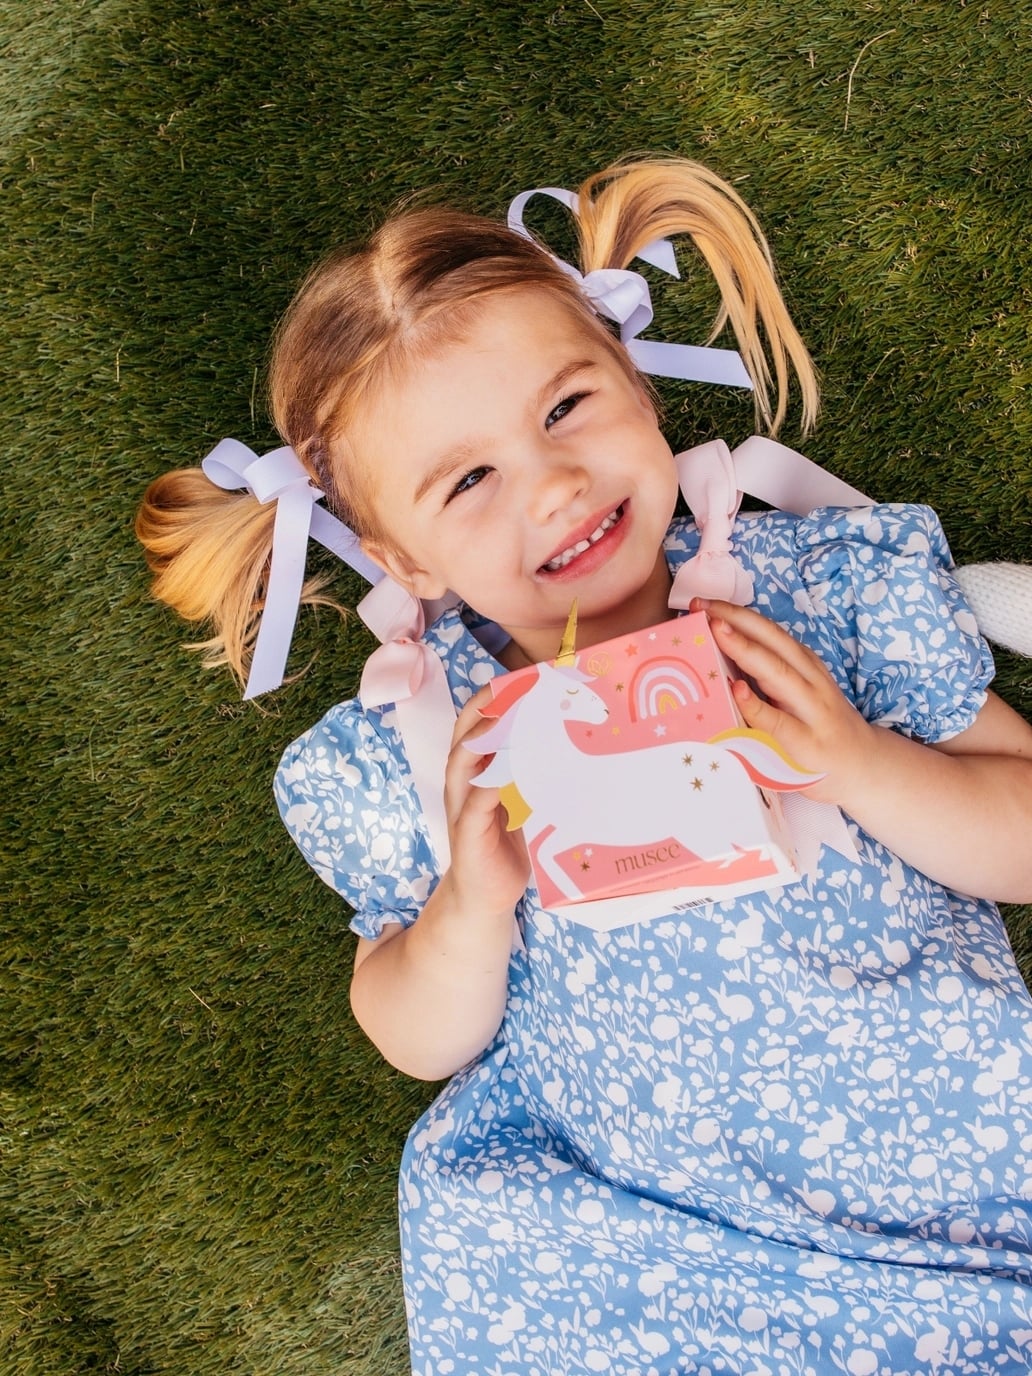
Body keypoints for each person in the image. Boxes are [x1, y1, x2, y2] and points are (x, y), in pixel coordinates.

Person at [138, 157, 1032, 1374]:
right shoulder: (431, 743)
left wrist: (861, 762)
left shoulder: (824, 596)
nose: (555, 484)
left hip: (950, 1187)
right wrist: (470, 904)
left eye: (566, 406)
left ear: (635, 381)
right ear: (407, 561)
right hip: (639, 1235)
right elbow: (415, 1034)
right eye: (470, 480)